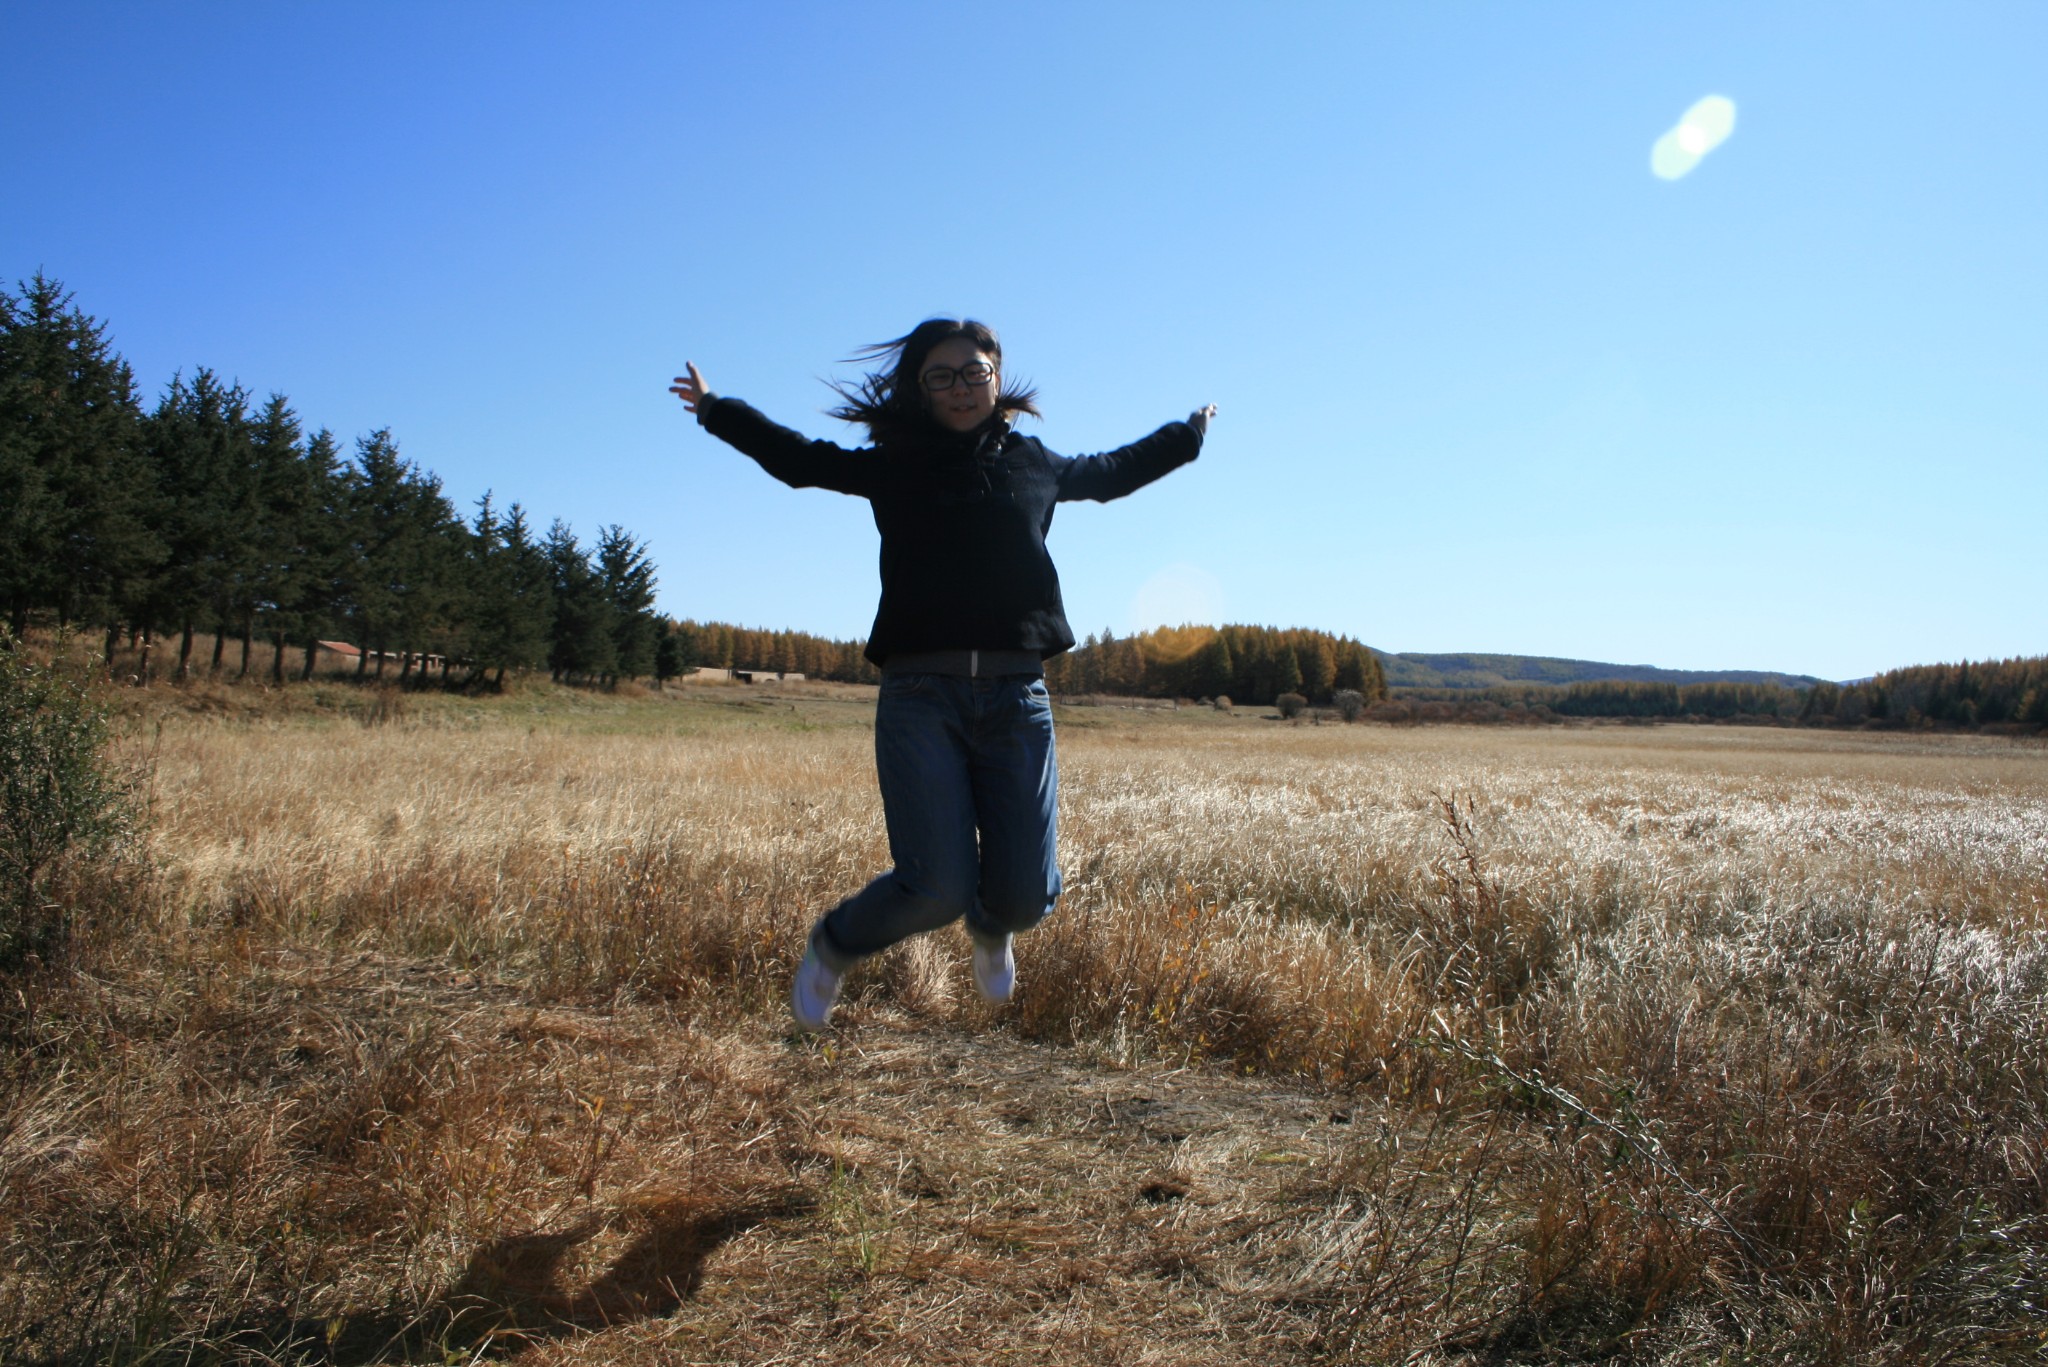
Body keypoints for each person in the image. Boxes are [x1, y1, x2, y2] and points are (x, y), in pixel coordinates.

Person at [671, 319, 1214, 1030]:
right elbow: (799, 458)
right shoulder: (895, 463)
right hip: (921, 693)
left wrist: (1189, 435)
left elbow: (1115, 472)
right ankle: (835, 943)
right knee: (935, 886)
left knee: (1023, 896)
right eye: (941, 375)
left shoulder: (1034, 462)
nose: (960, 386)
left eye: (973, 371)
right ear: (920, 389)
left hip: (1019, 696)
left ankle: (994, 928)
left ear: (998, 376)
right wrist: (717, 411)